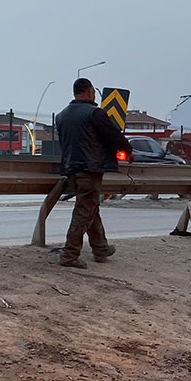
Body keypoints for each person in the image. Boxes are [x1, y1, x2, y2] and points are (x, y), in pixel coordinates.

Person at [55, 78, 133, 268]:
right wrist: (127, 150)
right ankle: (70, 254)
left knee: (90, 207)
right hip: (90, 168)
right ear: (89, 92)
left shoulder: (61, 115)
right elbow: (113, 135)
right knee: (85, 210)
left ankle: (100, 248)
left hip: (70, 168)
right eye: (94, 92)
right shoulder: (94, 113)